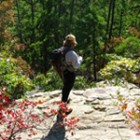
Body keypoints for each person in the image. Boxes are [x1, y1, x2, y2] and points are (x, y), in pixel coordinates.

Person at [59, 34, 83, 114]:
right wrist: (80, 59)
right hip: (70, 73)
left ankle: (63, 102)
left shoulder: (62, 50)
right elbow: (76, 66)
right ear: (73, 43)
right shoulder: (72, 53)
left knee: (65, 87)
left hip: (62, 71)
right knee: (67, 89)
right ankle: (63, 109)